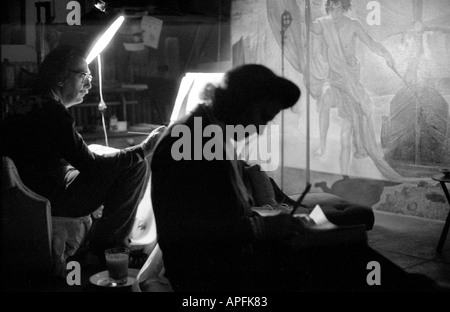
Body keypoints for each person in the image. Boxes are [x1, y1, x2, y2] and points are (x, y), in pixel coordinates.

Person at [150, 64, 443, 292]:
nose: (261, 129)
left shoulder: (207, 132)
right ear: (241, 102)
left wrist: (269, 223)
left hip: (225, 262)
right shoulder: (192, 139)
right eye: (262, 117)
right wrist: (264, 228)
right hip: (211, 279)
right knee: (341, 257)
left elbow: (215, 216)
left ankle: (414, 286)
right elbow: (195, 231)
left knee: (342, 245)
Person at [1, 45, 166, 259]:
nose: (89, 84)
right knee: (136, 164)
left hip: (37, 189)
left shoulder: (28, 103)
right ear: (61, 77)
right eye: (83, 76)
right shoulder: (52, 112)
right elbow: (92, 166)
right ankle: (109, 248)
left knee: (103, 152)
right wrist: (144, 149)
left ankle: (102, 240)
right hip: (47, 200)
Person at [310, 0, 404, 181]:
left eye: (337, 8)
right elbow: (311, 28)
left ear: (344, 7)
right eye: (330, 8)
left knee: (346, 133)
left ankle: (345, 176)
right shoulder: (324, 23)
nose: (334, 12)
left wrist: (387, 54)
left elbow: (371, 43)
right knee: (326, 100)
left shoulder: (353, 24)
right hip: (335, 79)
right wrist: (305, 6)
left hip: (351, 82)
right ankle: (322, 147)